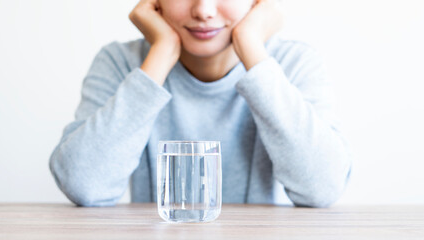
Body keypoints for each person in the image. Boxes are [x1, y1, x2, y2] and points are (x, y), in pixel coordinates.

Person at [49, 0, 352, 208]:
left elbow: (323, 189)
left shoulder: (294, 63)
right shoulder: (120, 62)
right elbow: (83, 185)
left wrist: (251, 48)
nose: (203, 10)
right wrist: (161, 54)